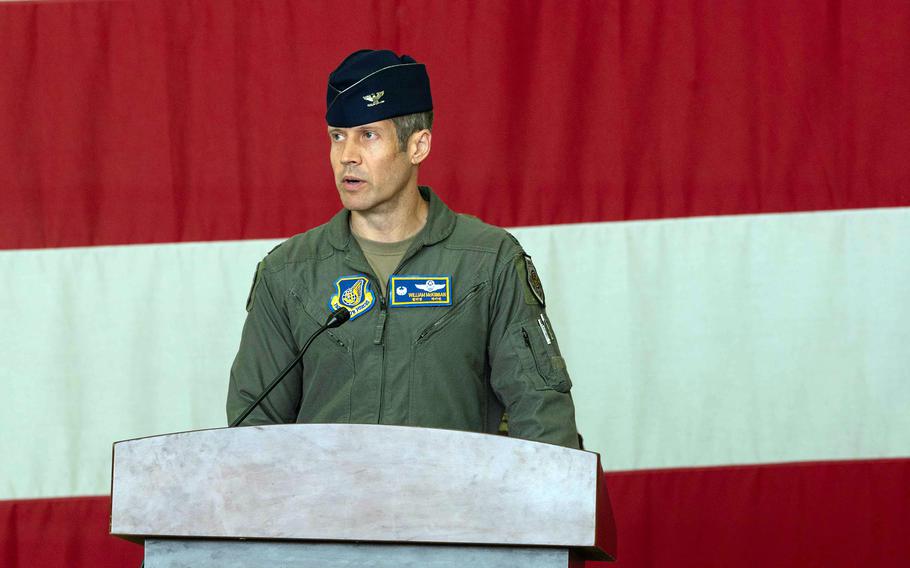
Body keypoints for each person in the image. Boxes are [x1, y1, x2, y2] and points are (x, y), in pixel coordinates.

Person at [226, 49, 580, 448]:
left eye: (368, 135)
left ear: (418, 146)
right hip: (328, 508)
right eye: (337, 137)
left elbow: (541, 415)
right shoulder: (289, 272)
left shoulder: (488, 261)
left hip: (455, 507)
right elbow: (253, 431)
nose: (347, 156)